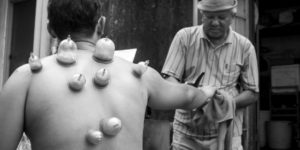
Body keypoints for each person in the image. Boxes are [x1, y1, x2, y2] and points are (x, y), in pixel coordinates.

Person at [0, 0, 218, 150]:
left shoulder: (25, 77)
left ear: (50, 29)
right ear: (101, 24)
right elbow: (188, 96)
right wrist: (207, 91)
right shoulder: (138, 75)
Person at [161, 0, 259, 149]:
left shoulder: (245, 47)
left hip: (228, 134)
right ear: (202, 15)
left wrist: (222, 103)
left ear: (232, 16)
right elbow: (170, 78)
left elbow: (252, 93)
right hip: (186, 134)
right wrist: (193, 96)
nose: (215, 22)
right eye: (210, 17)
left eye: (221, 17)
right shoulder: (184, 37)